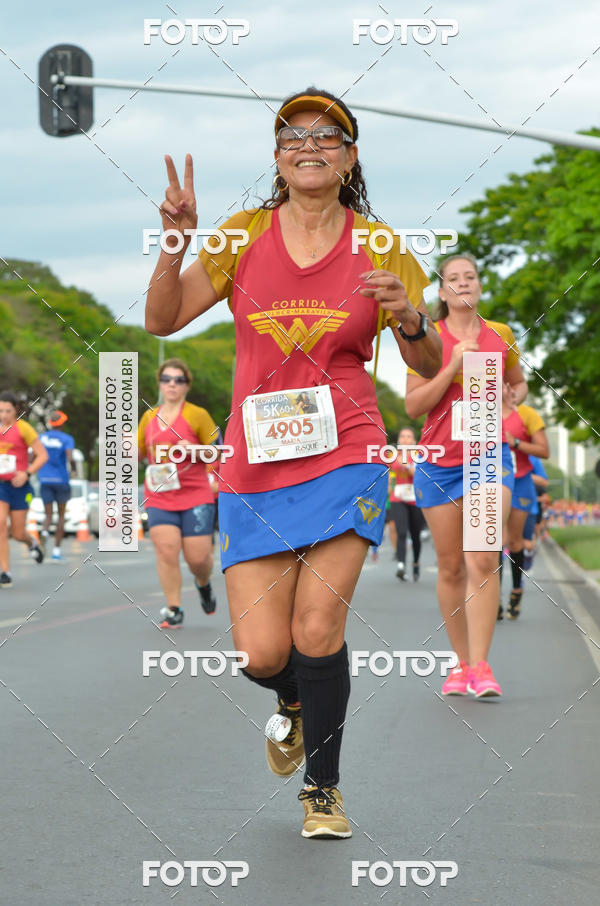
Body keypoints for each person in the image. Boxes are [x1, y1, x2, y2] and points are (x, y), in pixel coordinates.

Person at [144, 87, 442, 838]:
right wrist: (177, 240)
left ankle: (323, 790)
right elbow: (162, 319)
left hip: (347, 453)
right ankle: (294, 701)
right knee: (262, 650)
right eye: (292, 136)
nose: (309, 145)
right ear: (277, 158)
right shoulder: (241, 236)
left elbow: (428, 360)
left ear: (350, 156)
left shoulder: (380, 245)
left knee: (317, 630)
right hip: (255, 465)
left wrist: (408, 316)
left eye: (327, 135)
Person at [405, 253, 527, 698]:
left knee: (482, 557)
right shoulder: (428, 339)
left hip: (487, 458)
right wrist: (453, 365)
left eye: (469, 277)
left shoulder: (501, 335)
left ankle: (482, 666)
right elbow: (414, 406)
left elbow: (518, 381)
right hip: (437, 462)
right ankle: (459, 664)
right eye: (452, 279)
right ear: (441, 292)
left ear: (479, 286)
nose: (462, 283)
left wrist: (512, 396)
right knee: (452, 565)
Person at [138, 359, 220, 627]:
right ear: (160, 383)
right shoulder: (149, 417)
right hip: (160, 494)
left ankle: (203, 583)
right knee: (166, 550)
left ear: (186, 385)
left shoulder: (198, 414)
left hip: (196, 493)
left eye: (178, 380)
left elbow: (219, 450)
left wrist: (196, 450)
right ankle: (173, 608)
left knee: (197, 558)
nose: (172, 384)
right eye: (167, 379)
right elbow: (139, 453)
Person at [501, 394, 549, 619]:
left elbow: (544, 451)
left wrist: (517, 443)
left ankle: (516, 589)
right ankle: (492, 598)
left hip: (520, 482)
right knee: (494, 540)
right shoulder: (477, 410)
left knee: (514, 540)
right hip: (489, 480)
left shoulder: (526, 414)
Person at [0, 391, 47, 586]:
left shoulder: (24, 429)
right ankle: (5, 572)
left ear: (16, 410)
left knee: (18, 533)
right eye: (0, 411)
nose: (3, 415)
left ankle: (32, 543)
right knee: (1, 524)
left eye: (7, 411)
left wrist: (26, 473)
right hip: (1, 485)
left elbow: (42, 455)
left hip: (20, 487)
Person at [389, 426, 426, 580]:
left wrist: (407, 465)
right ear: (398, 440)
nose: (405, 439)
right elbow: (388, 474)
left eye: (409, 436)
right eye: (402, 436)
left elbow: (419, 475)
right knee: (401, 531)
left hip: (415, 498)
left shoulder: (419, 456)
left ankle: (416, 563)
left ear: (414, 441)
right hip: (398, 498)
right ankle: (401, 565)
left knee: (415, 535)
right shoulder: (393, 455)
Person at [38, 410, 76, 561]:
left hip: (45, 480)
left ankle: (44, 532)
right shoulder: (67, 439)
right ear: (63, 423)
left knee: (48, 515)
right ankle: (56, 551)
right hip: (61, 481)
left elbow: (32, 455)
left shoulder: (41, 437)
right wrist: (72, 469)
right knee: (61, 516)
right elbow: (69, 457)